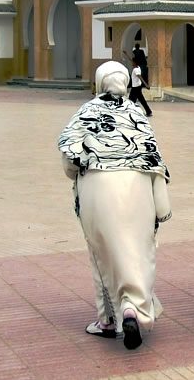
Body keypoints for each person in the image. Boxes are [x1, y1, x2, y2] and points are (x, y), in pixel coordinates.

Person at [57, 61, 171, 351]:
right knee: (139, 249)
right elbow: (153, 156)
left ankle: (109, 320)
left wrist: (82, 169)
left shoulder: (86, 111)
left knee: (103, 251)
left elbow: (69, 156)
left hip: (98, 187)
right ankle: (134, 308)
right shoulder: (136, 112)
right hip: (137, 188)